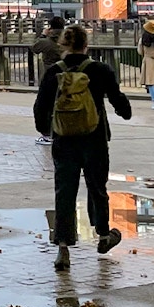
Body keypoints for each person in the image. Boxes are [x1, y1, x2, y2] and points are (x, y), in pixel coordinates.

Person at [33, 24, 132, 271]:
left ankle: (63, 247)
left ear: (64, 45)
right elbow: (118, 99)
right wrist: (124, 111)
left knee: (65, 191)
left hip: (64, 139)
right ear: (87, 44)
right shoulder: (99, 69)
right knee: (97, 187)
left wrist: (46, 129)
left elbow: (40, 106)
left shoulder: (54, 72)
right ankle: (102, 235)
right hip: (94, 137)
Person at [31, 16, 66, 145]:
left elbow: (34, 48)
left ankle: (47, 134)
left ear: (50, 28)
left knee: (45, 106)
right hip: (67, 78)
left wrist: (43, 35)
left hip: (49, 78)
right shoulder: (68, 41)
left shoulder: (47, 42)